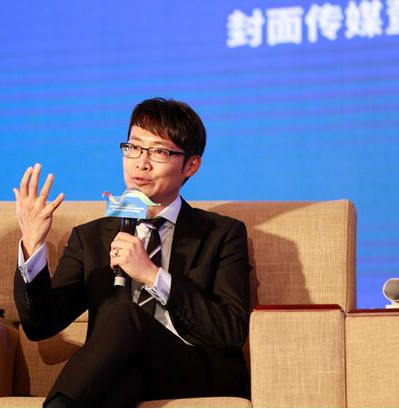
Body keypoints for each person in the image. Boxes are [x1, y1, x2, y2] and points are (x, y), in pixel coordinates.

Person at [13, 97, 251, 407]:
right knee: (120, 383)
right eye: (134, 148)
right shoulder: (91, 238)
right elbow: (40, 325)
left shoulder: (222, 234)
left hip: (195, 369)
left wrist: (153, 276)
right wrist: (32, 245)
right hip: (125, 369)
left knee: (126, 315)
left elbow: (231, 330)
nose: (141, 163)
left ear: (191, 165)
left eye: (159, 152)